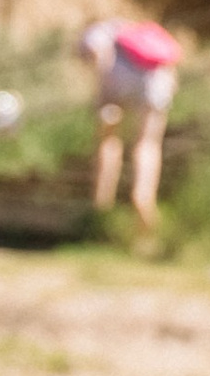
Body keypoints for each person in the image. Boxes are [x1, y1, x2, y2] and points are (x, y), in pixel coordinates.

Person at [77, 16, 180, 227]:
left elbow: (99, 55)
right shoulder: (137, 29)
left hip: (118, 83)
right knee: (148, 144)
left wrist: (101, 95)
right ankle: (143, 198)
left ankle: (102, 204)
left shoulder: (97, 30)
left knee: (108, 140)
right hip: (157, 82)